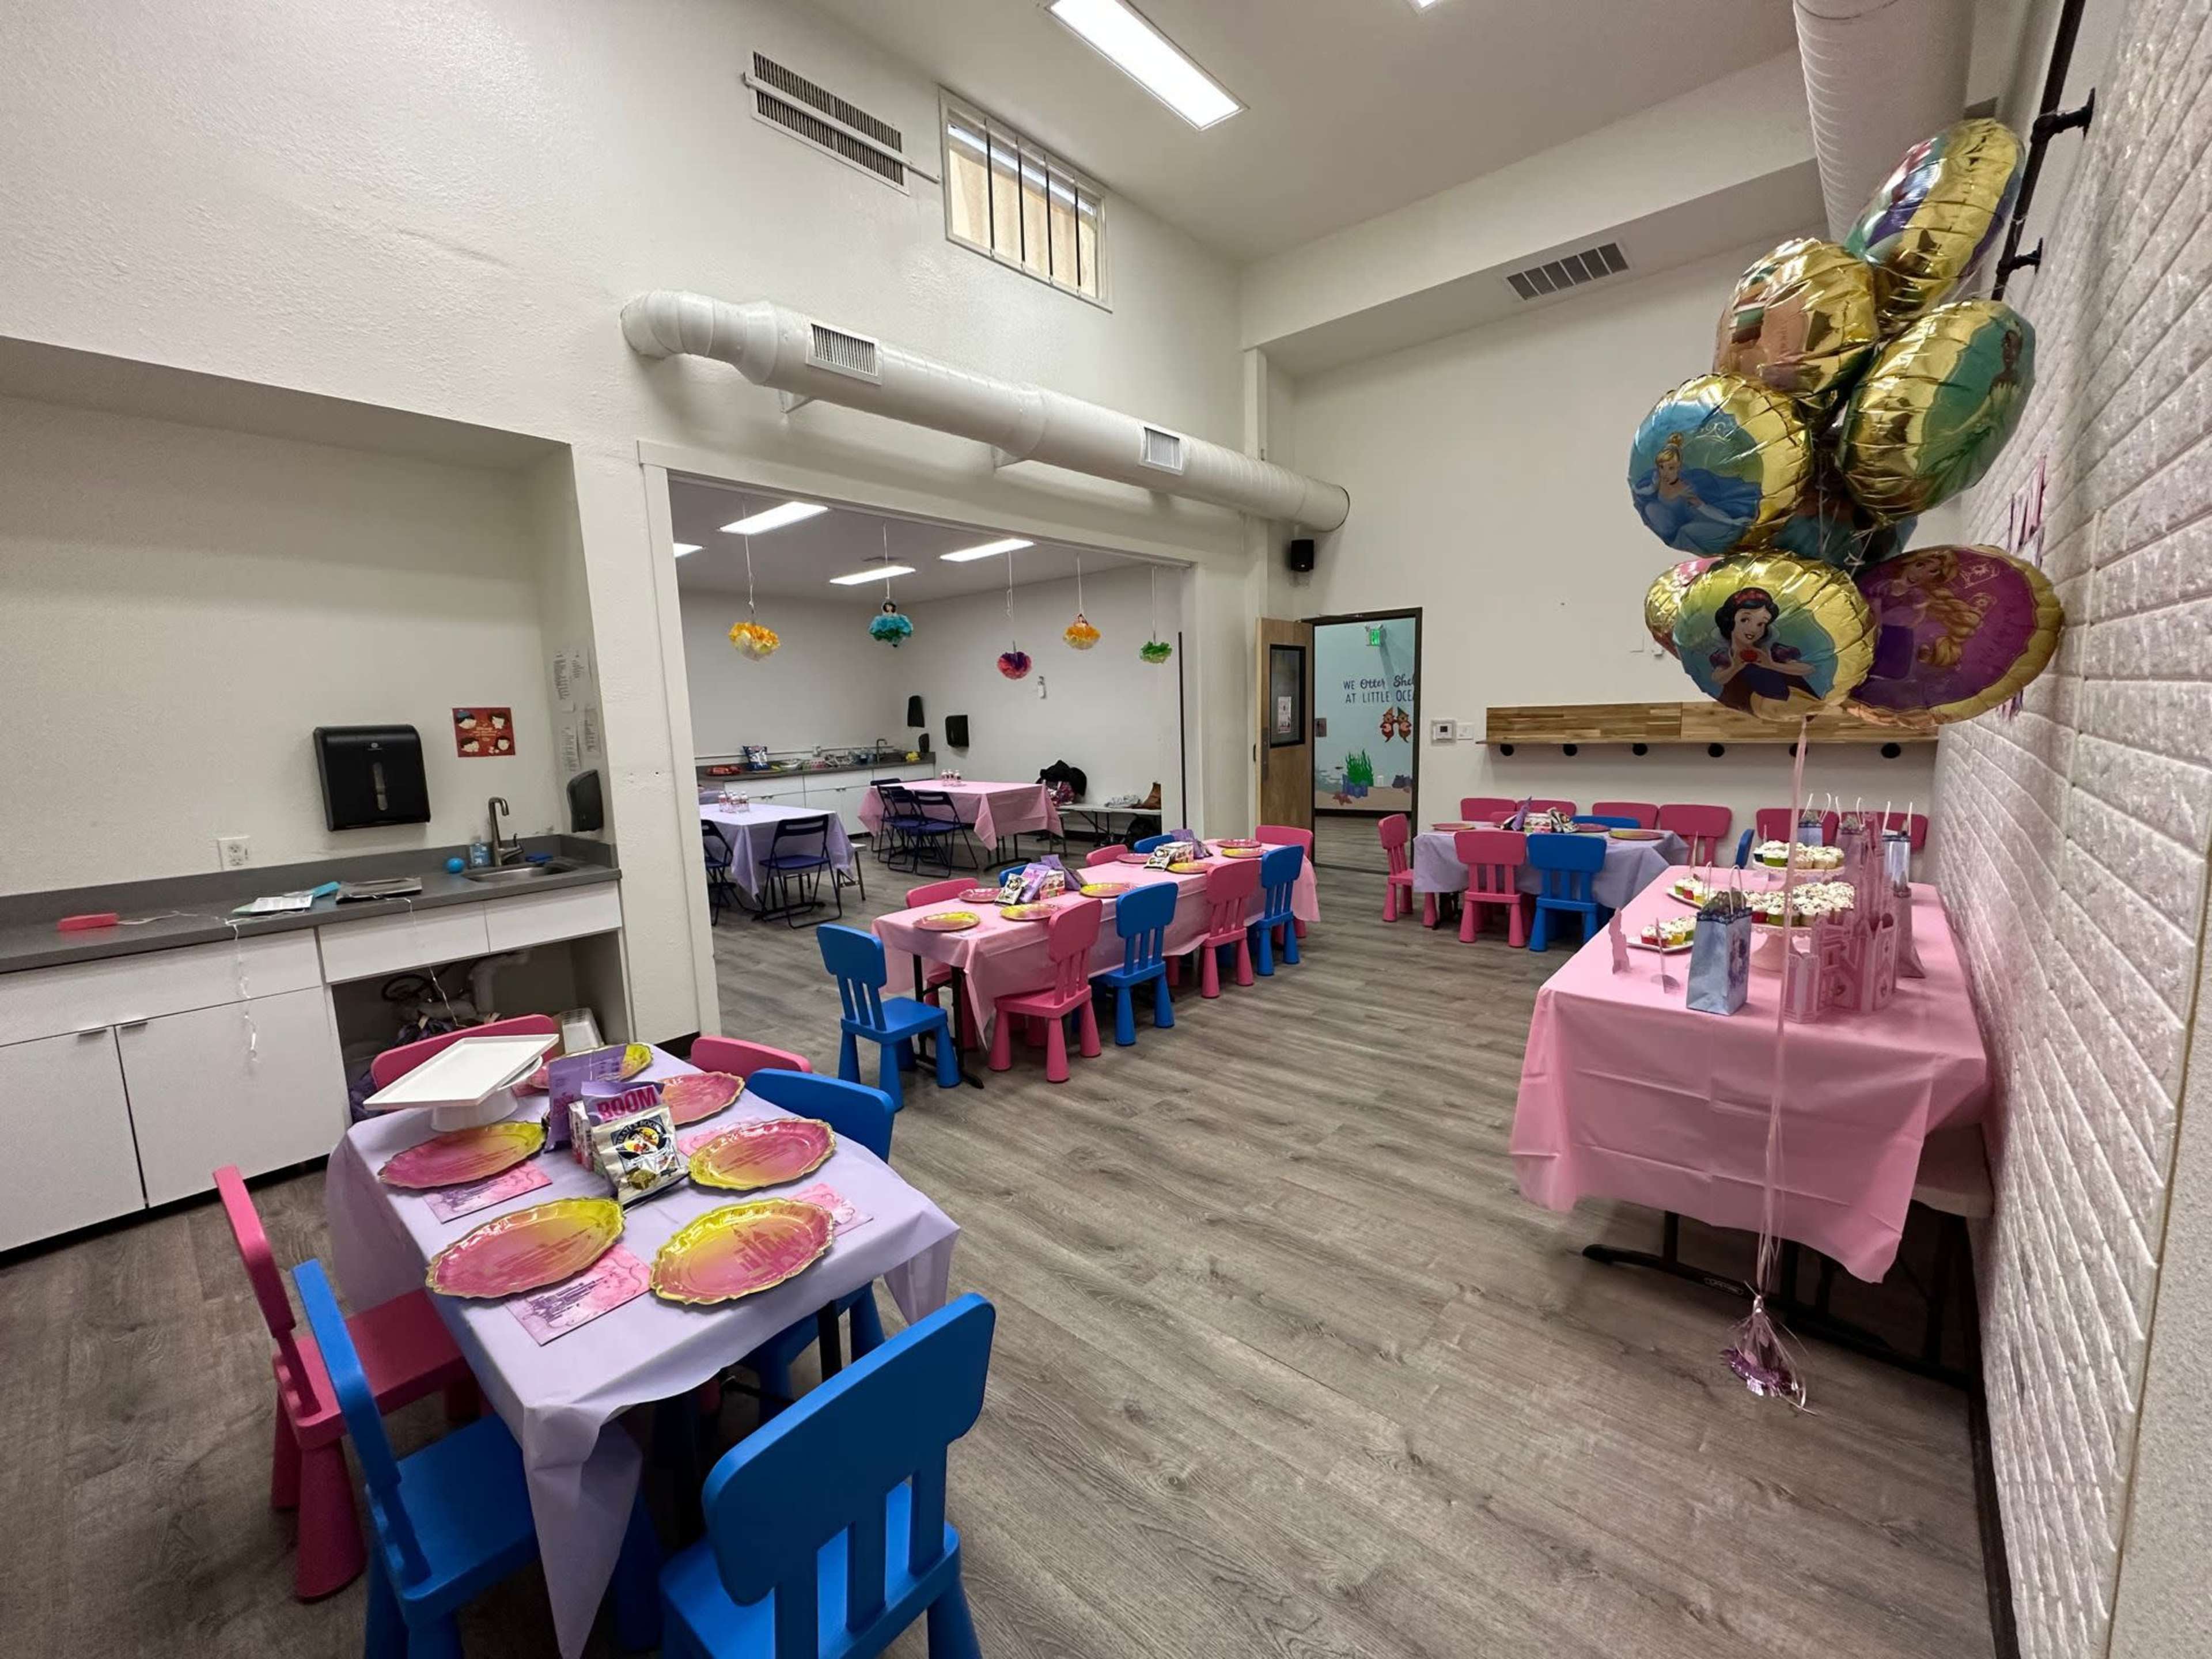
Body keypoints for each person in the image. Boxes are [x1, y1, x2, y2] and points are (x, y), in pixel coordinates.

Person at [1631, 431, 1763, 554]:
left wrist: (1734, 522)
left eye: (1671, 468)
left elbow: (1707, 510)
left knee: (1684, 532)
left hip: (1703, 522)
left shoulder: (1685, 490)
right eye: (1662, 467)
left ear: (1679, 468)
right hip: (1673, 523)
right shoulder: (1657, 480)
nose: (1666, 473)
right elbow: (1646, 491)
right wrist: (1635, 487)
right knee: (1651, 508)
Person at [1707, 586, 1819, 713]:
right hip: (1751, 705)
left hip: (1788, 700)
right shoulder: (1725, 656)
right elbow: (1717, 678)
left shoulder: (1774, 651)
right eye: (1745, 620)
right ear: (1731, 621)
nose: (1753, 629)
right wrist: (1735, 667)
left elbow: (1808, 669)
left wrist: (1772, 665)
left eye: (1761, 624)